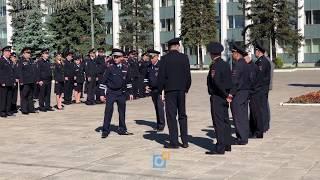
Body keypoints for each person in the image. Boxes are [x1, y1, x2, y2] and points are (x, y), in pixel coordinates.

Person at [158, 38, 192, 149]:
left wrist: (160, 90)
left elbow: (161, 77)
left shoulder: (164, 59)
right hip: (181, 91)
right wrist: (185, 88)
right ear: (177, 46)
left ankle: (174, 142)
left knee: (171, 116)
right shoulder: (184, 58)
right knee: (182, 115)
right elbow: (188, 76)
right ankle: (185, 140)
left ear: (169, 47)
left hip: (170, 91)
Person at [99, 48, 134, 138]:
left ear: (122, 57)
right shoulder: (110, 68)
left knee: (122, 112)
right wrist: (102, 94)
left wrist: (130, 93)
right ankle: (105, 130)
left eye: (117, 57)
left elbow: (128, 81)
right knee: (108, 111)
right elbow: (103, 82)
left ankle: (122, 129)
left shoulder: (126, 68)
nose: (115, 58)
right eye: (114, 57)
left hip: (121, 93)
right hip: (111, 93)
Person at [205, 42, 233, 155]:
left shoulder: (215, 65)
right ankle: (227, 144)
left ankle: (220, 147)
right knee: (225, 121)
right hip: (225, 96)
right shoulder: (225, 64)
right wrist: (229, 94)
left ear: (212, 53)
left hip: (218, 96)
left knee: (218, 122)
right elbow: (230, 81)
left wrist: (224, 95)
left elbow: (216, 83)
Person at [229, 44, 252, 145]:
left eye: (232, 53)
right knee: (243, 115)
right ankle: (244, 136)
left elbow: (234, 81)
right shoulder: (246, 64)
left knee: (238, 115)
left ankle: (241, 138)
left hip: (238, 93)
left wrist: (230, 94)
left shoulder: (238, 65)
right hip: (245, 92)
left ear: (237, 53)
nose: (231, 55)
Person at [250, 43, 271, 138]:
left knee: (259, 110)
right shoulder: (261, 61)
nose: (255, 52)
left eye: (256, 51)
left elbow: (259, 78)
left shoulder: (262, 62)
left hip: (259, 90)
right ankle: (263, 127)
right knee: (262, 109)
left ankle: (260, 129)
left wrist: (253, 88)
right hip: (261, 89)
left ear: (259, 52)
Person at [145, 49, 165, 131]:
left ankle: (161, 125)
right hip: (152, 90)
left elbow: (165, 78)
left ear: (157, 57)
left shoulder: (162, 65)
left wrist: (164, 90)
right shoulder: (149, 66)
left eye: (152, 57)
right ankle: (158, 123)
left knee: (160, 107)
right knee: (156, 107)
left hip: (160, 90)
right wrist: (146, 85)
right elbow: (146, 77)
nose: (151, 59)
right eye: (150, 57)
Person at [18, 47, 38, 114]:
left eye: (29, 53)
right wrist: (21, 81)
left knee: (30, 96)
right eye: (27, 53)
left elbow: (34, 71)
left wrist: (36, 79)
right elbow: (20, 72)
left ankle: (31, 109)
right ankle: (24, 110)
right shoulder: (21, 61)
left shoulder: (31, 61)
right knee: (24, 96)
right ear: (23, 53)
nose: (29, 54)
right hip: (25, 81)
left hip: (31, 81)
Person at [0, 46, 15, 117]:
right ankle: (2, 111)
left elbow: (12, 72)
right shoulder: (1, 60)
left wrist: (13, 81)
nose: (10, 53)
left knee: (9, 97)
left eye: (10, 52)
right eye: (8, 52)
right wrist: (2, 81)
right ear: (4, 52)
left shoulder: (9, 61)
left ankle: (8, 111)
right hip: (4, 83)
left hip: (10, 82)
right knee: (3, 98)